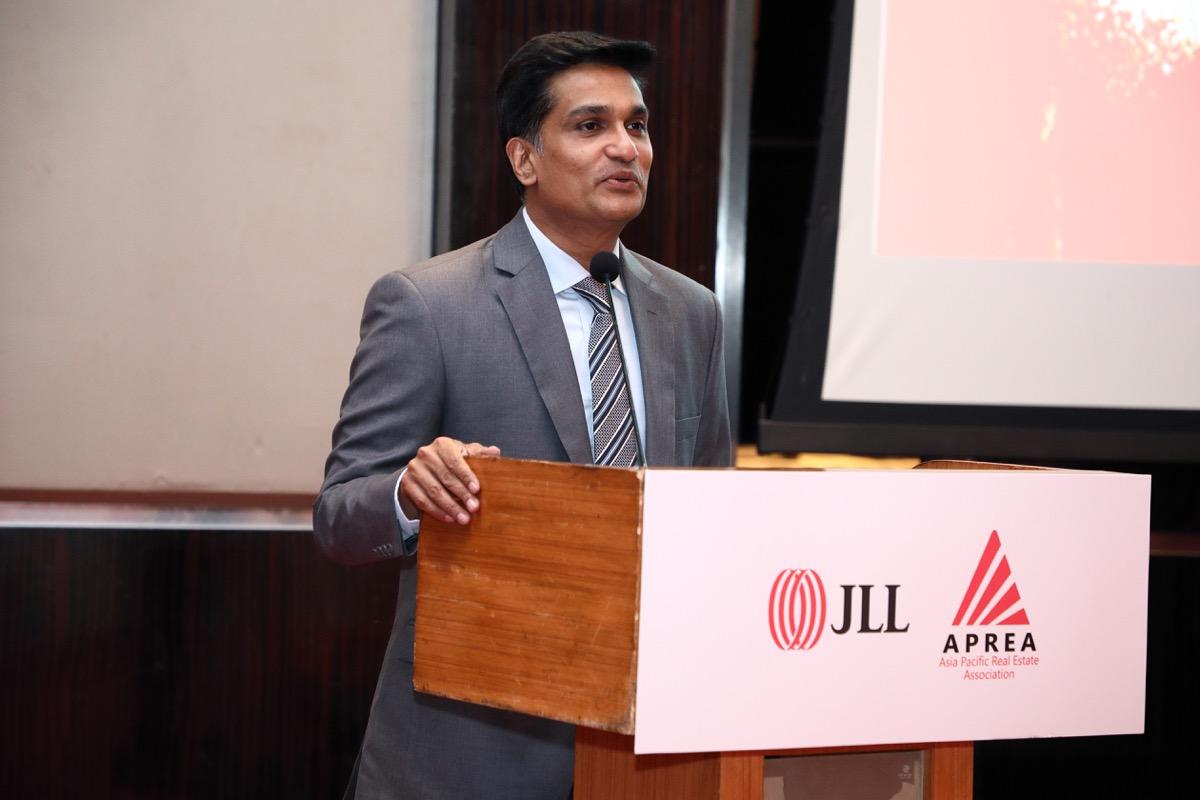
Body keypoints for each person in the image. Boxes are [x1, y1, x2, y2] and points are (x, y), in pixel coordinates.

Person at [314, 31, 732, 800]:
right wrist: (409, 491)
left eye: (637, 125)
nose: (625, 148)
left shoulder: (690, 312)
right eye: (590, 125)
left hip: (644, 754)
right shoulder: (429, 304)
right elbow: (340, 515)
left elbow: (715, 509)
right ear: (524, 159)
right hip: (472, 755)